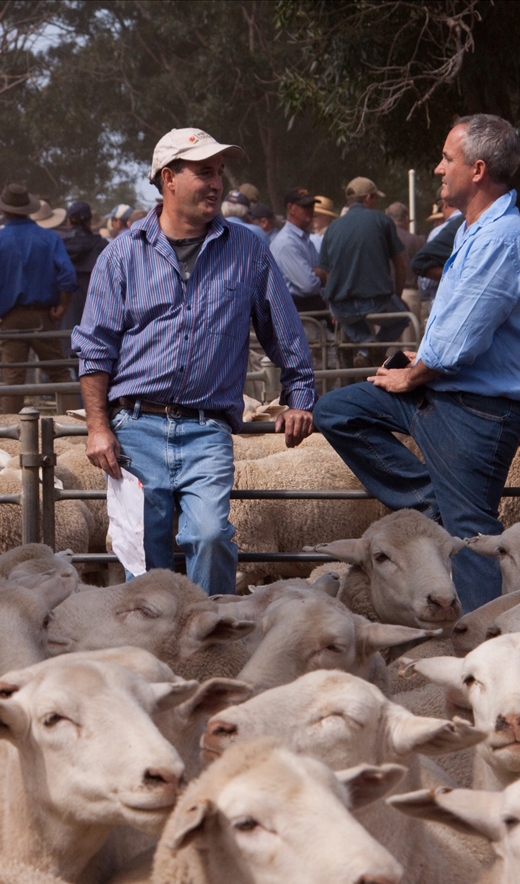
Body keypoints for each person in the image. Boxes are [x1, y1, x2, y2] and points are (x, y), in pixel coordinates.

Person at [313, 114, 520, 614]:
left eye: (448, 158)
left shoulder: (500, 239)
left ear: (479, 169)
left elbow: (462, 340)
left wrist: (414, 371)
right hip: (444, 389)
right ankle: (432, 504)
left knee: (470, 534)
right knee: (338, 410)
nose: (439, 168)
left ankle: (480, 641)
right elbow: (454, 330)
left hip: (479, 405)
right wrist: (415, 362)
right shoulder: (473, 230)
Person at [72, 127, 316, 595]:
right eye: (204, 172)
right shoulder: (121, 255)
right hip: (136, 429)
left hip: (207, 428)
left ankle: (213, 637)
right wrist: (98, 426)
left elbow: (283, 331)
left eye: (219, 173)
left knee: (209, 535)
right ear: (169, 179)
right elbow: (95, 346)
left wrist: (299, 396)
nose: (217, 184)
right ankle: (155, 656)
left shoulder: (247, 249)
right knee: (147, 554)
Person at [0, 182, 77, 413]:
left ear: (3, 210)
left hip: (10, 319)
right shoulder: (49, 238)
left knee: (13, 379)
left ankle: (9, 436)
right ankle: (75, 428)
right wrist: (63, 305)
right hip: (43, 316)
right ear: (29, 208)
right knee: (59, 372)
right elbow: (68, 274)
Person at [318, 176, 408, 367]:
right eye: (376, 198)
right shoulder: (382, 221)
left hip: (340, 307)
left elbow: (325, 273)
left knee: (348, 320)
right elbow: (400, 265)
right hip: (376, 301)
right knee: (403, 316)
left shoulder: (332, 228)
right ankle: (372, 348)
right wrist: (397, 297)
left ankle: (364, 346)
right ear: (368, 198)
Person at [270, 188, 327, 312]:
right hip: (298, 313)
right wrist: (322, 276)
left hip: (308, 310)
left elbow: (323, 274)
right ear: (291, 208)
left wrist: (321, 275)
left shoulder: (304, 239)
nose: (310, 210)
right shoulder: (286, 242)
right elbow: (309, 286)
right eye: (305, 206)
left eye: (311, 206)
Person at [61, 201, 109, 348]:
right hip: (96, 320)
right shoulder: (103, 246)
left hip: (65, 318)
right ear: (89, 222)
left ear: (68, 222)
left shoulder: (59, 247)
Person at [412, 198, 463, 320]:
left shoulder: (437, 233)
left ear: (444, 205)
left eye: (437, 220)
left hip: (443, 306)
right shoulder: (480, 222)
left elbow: (425, 284)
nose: (435, 224)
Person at [384, 201, 425, 320]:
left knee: (386, 338)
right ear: (406, 219)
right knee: (411, 338)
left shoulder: (380, 239)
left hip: (385, 295)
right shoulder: (417, 240)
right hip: (410, 294)